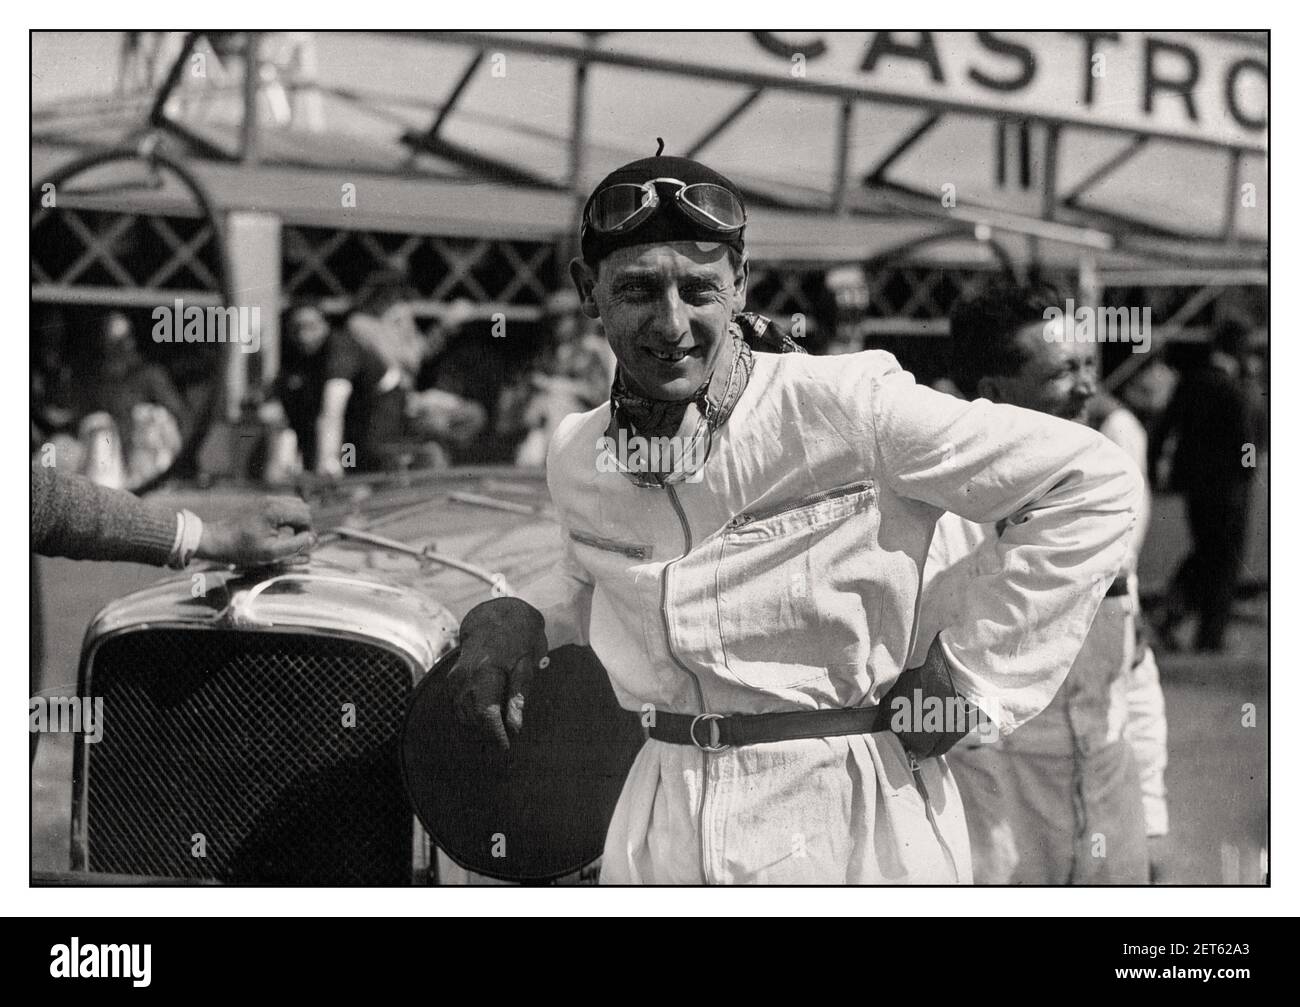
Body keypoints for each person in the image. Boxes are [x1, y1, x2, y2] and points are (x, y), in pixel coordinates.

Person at [445, 153, 1139, 884]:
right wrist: (518, 609)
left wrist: (969, 680)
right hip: (661, 827)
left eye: (700, 288)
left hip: (851, 825)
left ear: (740, 283)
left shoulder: (845, 405)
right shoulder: (578, 453)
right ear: (590, 291)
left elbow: (1089, 481)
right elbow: (589, 574)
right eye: (639, 290)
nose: (671, 323)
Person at [924, 282, 1168, 884]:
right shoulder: (936, 524)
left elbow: (1134, 666)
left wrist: (1152, 812)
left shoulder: (1103, 507)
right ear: (993, 393)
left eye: (1089, 365)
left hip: (1112, 794)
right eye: (1062, 373)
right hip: (998, 807)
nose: (1089, 387)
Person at [1149, 315, 1263, 652]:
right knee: (1224, 560)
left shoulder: (1192, 381)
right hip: (1229, 488)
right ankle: (1209, 633)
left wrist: (1156, 468)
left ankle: (1172, 615)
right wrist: (1248, 472)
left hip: (1197, 487)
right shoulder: (1235, 386)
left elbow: (1165, 426)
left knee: (1205, 553)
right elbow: (1247, 439)